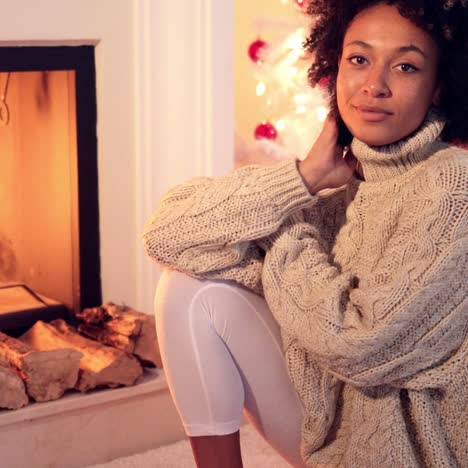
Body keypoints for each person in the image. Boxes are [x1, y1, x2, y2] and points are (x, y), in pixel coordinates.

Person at [143, 1, 468, 467]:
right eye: (359, 59)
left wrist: (284, 235)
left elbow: (361, 344)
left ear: (438, 87)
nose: (374, 85)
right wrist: (304, 175)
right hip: (330, 415)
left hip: (407, 451)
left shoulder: (454, 183)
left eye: (405, 66)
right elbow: (167, 235)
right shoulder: (341, 183)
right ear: (333, 68)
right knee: (186, 288)